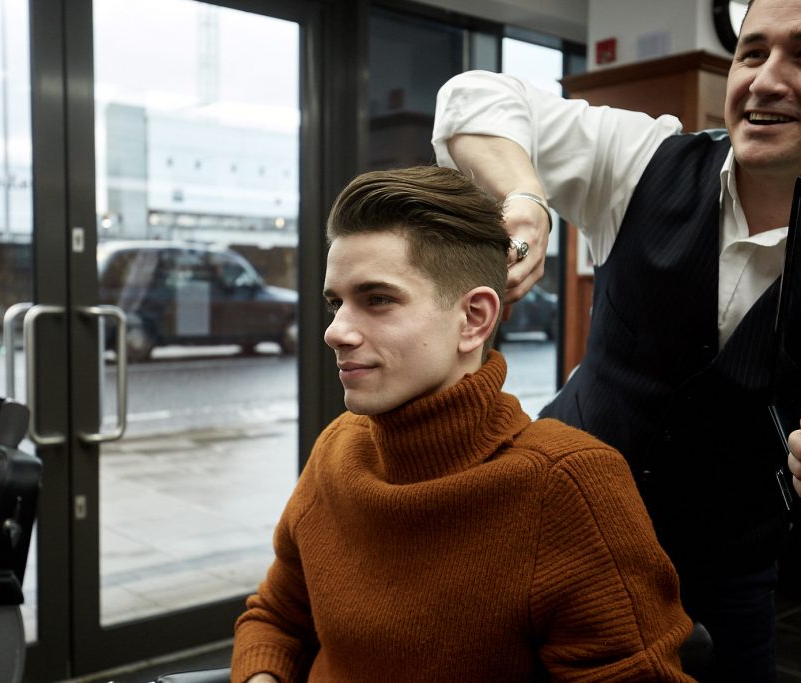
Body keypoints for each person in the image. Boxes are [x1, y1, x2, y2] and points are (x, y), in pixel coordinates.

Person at [431, 0, 801, 679]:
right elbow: (472, 99)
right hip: (534, 539)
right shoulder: (641, 158)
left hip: (717, 595)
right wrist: (526, 196)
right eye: (752, 52)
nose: (765, 80)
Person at [231, 166, 693, 682]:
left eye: (378, 299)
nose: (335, 332)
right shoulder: (338, 450)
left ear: (473, 318)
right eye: (337, 303)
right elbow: (276, 618)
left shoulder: (567, 486)